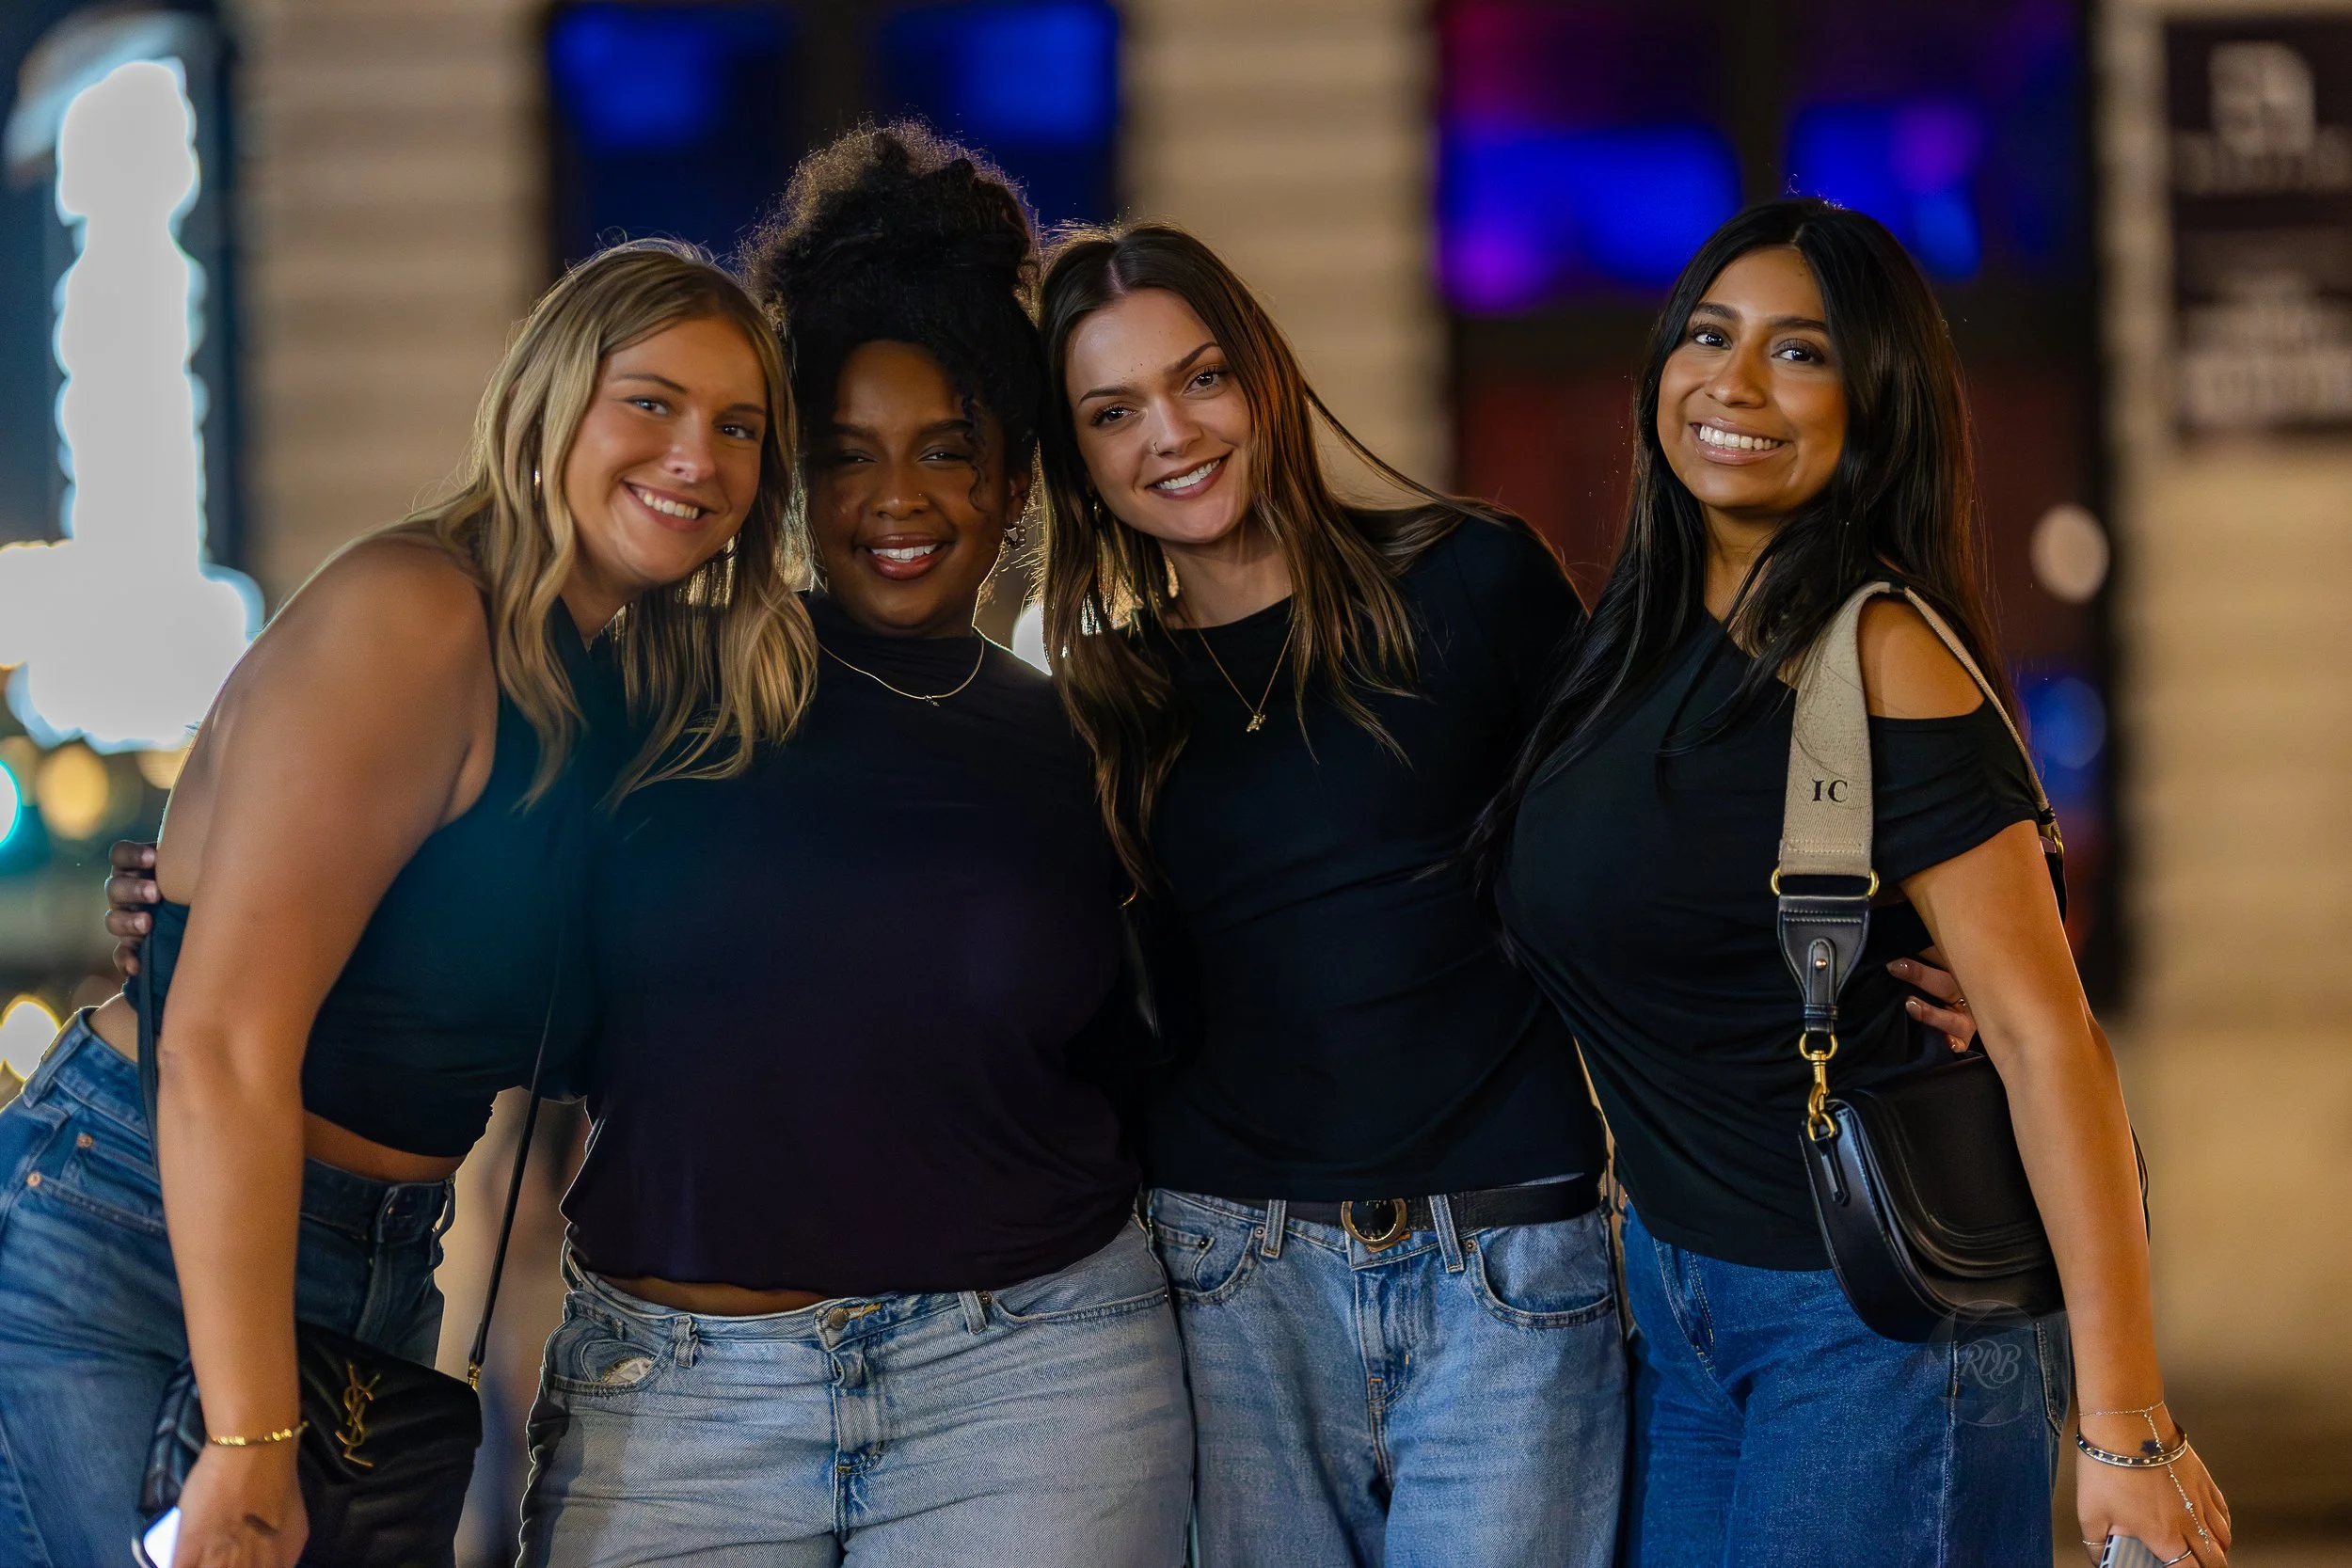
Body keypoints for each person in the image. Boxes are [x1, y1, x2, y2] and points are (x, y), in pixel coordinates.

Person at [0, 240, 809, 1568]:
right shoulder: (420, 615)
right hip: (146, 1236)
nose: (697, 457)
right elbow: (217, 1046)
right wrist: (252, 1445)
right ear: (551, 403)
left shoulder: (614, 684)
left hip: (370, 1257)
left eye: (738, 426)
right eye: (651, 402)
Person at [1485, 198, 2231, 1567]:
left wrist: (2126, 1427)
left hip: (1873, 1334)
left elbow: (2043, 1038)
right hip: (1678, 1298)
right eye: (1709, 333)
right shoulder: (1629, 656)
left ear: (1874, 405)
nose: (1737, 382)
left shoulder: (1879, 650)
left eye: (1803, 352)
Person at [509, 126, 1190, 1568]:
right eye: (846, 456)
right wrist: (203, 902)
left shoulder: (1092, 742)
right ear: (791, 485)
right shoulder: (655, 687)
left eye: (952, 452)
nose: (899, 499)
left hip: (1037, 1381)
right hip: (681, 1408)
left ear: (1016, 484)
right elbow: (441, 870)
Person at [1031, 222, 1627, 1567]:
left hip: (1509, 1260)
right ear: (1077, 460)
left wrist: (1894, 946)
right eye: (1112, 412)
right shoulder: (1106, 701)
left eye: (1199, 379)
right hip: (1231, 1277)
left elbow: (1639, 852)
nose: (1171, 433)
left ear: (1263, 378)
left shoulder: (1475, 578)